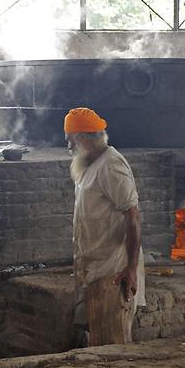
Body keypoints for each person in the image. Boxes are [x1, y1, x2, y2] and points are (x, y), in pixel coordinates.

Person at [66, 107, 145, 347]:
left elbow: (132, 216)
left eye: (70, 140)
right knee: (99, 343)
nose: (68, 146)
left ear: (82, 138)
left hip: (113, 269)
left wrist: (130, 268)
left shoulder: (111, 165)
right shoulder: (90, 165)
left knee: (114, 345)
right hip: (94, 268)